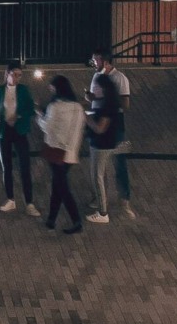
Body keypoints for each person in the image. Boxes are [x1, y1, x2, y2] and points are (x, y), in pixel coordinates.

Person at [84, 53, 133, 222]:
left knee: (117, 162)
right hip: (98, 115)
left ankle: (122, 200)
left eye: (96, 59)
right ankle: (99, 198)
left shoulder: (119, 78)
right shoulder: (97, 76)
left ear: (104, 61)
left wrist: (103, 99)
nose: (93, 62)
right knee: (98, 167)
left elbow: (125, 104)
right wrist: (92, 97)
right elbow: (93, 97)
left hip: (111, 123)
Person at [0, 63, 39, 212]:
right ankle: (10, 199)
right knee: (6, 167)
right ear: (7, 74)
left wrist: (18, 116)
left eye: (19, 75)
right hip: (4, 131)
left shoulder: (23, 90)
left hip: (19, 130)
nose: (16, 78)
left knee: (25, 166)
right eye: (14, 74)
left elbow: (30, 108)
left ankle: (29, 202)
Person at [38, 73, 86, 231]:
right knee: (58, 184)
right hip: (71, 152)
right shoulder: (78, 107)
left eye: (52, 88)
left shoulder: (55, 107)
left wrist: (38, 114)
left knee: (62, 187)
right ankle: (51, 219)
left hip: (56, 151)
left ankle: (76, 220)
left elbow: (46, 127)